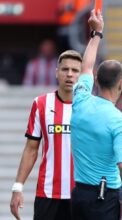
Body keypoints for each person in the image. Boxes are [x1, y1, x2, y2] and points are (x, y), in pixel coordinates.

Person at [70, 10, 122, 220]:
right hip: (102, 199)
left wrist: (97, 34)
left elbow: (86, 66)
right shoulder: (118, 120)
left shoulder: (80, 99)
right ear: (121, 84)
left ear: (96, 80)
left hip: (78, 195)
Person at [10, 49, 83, 220]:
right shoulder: (41, 104)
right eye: (65, 69)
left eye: (75, 70)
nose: (70, 75)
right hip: (48, 193)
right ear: (57, 73)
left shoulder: (90, 108)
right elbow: (31, 149)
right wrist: (17, 187)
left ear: (82, 75)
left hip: (81, 194)